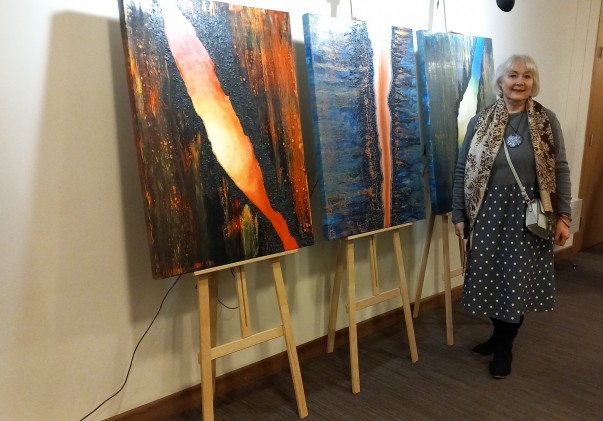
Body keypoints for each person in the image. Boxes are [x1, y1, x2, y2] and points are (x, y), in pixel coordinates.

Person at [452, 54, 572, 379]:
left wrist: (564, 216)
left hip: (529, 214)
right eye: (513, 75)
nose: (520, 81)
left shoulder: (546, 120)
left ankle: (504, 345)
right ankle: (497, 335)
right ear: (501, 82)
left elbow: (560, 168)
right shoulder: (480, 121)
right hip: (487, 212)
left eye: (527, 76)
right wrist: (459, 214)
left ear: (533, 82)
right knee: (490, 276)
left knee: (516, 280)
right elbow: (463, 169)